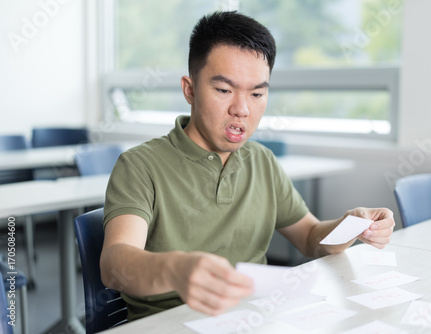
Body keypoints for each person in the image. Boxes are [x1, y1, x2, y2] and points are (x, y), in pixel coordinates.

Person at [100, 11, 395, 321]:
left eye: (256, 93)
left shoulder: (262, 161)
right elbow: (113, 265)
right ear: (189, 89)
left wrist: (350, 225)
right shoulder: (140, 165)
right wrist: (177, 270)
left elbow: (309, 238)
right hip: (169, 324)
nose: (241, 109)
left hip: (256, 319)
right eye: (224, 90)